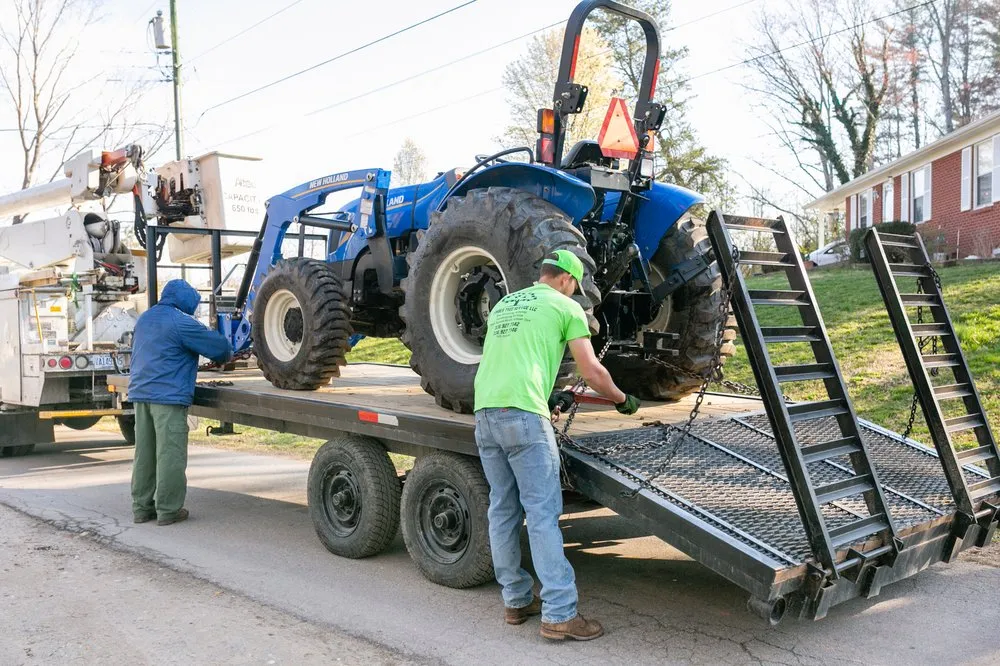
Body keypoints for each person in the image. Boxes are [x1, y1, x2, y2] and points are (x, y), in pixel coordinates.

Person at [474, 249, 640, 641]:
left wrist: (546, 397)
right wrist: (620, 399)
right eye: (575, 287)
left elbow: (509, 361)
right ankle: (561, 613)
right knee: (543, 513)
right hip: (524, 419)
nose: (574, 292)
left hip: (485, 415)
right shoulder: (566, 307)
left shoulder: (504, 305)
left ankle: (516, 601)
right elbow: (592, 370)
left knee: (502, 510)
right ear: (567, 279)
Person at [129, 279, 233, 526]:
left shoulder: (145, 318)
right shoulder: (181, 321)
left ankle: (141, 508)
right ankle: (168, 509)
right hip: (167, 397)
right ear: (186, 301)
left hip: (141, 394)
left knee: (144, 453)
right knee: (170, 454)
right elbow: (220, 349)